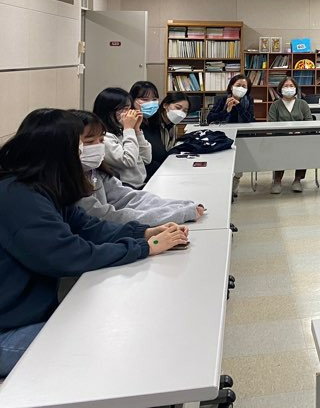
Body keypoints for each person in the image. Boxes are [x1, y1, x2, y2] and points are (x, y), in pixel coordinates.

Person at [0, 109, 187, 378]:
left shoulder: (42, 187)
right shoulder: (17, 197)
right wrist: (143, 248)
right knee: (108, 340)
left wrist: (144, 233)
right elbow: (69, 255)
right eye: (82, 145)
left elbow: (88, 226)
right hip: (7, 334)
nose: (87, 153)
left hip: (27, 317)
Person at [72, 110, 203, 224]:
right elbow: (108, 217)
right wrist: (177, 214)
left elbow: (129, 197)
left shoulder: (95, 172)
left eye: (101, 141)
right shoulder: (71, 183)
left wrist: (180, 206)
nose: (98, 146)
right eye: (89, 142)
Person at [92, 87, 151, 189]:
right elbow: (128, 161)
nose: (128, 113)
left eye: (129, 108)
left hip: (139, 184)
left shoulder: (121, 132)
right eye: (123, 109)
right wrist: (129, 129)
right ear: (108, 111)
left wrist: (137, 130)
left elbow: (146, 158)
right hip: (124, 187)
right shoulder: (103, 138)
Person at [267, 77, 312, 194]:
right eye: (286, 86)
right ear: (280, 89)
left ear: (296, 89)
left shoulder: (302, 104)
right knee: (279, 152)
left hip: (300, 139)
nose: (289, 88)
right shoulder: (275, 105)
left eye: (291, 86)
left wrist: (300, 131)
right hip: (281, 139)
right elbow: (271, 124)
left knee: (303, 151)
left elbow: (309, 121)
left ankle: (297, 180)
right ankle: (277, 180)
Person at [140, 89, 190, 180]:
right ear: (165, 105)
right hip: (151, 175)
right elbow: (156, 156)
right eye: (178, 107)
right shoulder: (151, 125)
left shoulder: (172, 126)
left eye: (185, 111)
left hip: (163, 169)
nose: (181, 113)